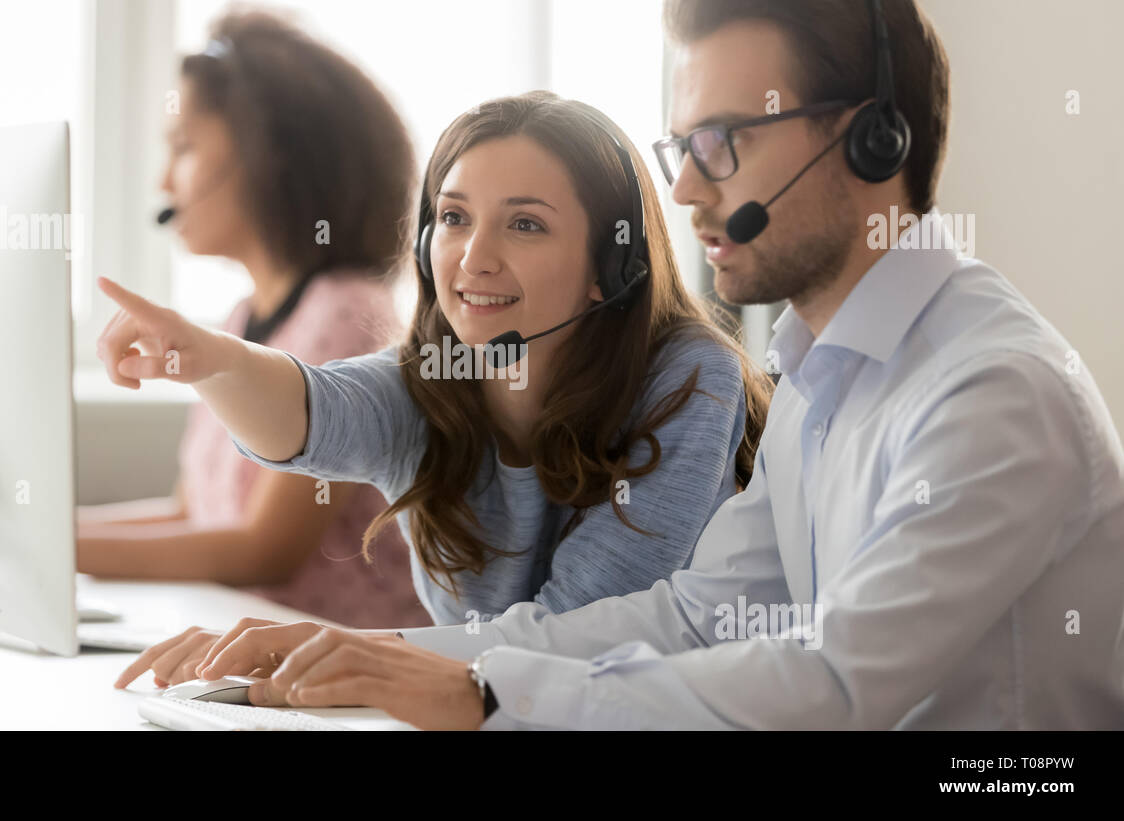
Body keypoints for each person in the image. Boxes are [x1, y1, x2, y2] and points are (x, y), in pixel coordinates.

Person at [112, 0, 1124, 730]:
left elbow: (835, 685)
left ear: (871, 141)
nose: (681, 186)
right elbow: (699, 614)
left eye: (723, 140)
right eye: (679, 142)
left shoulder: (989, 390)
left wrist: (484, 692)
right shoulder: (827, 372)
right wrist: (380, 661)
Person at [97, 89, 776, 677]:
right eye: (453, 218)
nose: (474, 258)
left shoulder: (687, 378)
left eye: (525, 224)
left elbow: (580, 632)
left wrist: (358, 654)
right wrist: (210, 358)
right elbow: (312, 408)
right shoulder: (434, 379)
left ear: (611, 265)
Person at [0, 8, 430, 629]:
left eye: (183, 148)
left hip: (333, 676)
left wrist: (16, 545)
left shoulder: (349, 314)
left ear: (271, 157)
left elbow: (264, 550)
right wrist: (7, 525)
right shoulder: (241, 320)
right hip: (240, 646)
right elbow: (195, 516)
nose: (163, 180)